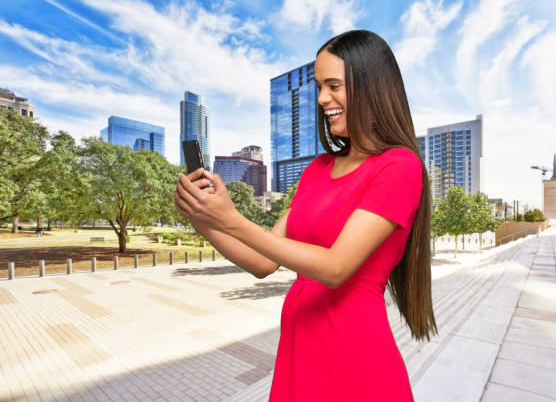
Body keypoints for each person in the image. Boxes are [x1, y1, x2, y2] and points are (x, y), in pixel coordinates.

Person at [174, 30, 437, 401]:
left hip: (354, 359)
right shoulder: (317, 169)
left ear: (372, 87)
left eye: (334, 86)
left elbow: (335, 268)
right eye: (319, 86)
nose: (322, 99)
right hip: (300, 353)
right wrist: (205, 220)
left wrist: (231, 219)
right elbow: (264, 260)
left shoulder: (398, 166)